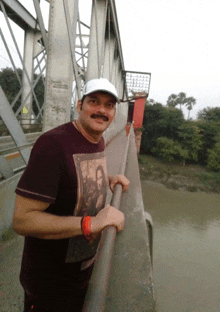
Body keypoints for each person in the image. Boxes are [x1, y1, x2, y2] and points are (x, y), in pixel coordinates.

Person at [13, 78, 130, 312]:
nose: (101, 110)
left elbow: (73, 173)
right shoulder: (53, 145)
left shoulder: (97, 140)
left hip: (81, 273)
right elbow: (22, 220)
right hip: (50, 284)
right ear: (79, 106)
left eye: (109, 105)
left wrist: (107, 178)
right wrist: (91, 224)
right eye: (93, 102)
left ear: (114, 112)